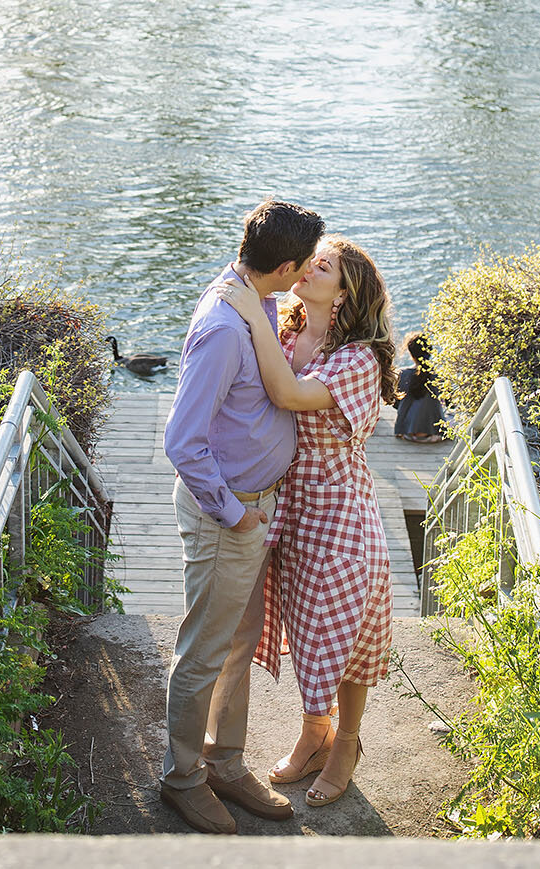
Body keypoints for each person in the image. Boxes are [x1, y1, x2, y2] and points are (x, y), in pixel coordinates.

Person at [159, 198, 326, 836]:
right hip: (227, 516)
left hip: (258, 511)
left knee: (235, 647)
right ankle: (182, 779)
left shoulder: (256, 300)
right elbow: (182, 441)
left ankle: (224, 763)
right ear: (283, 265)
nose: (309, 271)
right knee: (205, 650)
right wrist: (233, 516)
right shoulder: (225, 327)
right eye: (305, 263)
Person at [216, 236, 398, 809]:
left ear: (344, 293)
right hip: (289, 507)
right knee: (304, 625)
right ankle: (314, 733)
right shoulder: (289, 328)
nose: (305, 267)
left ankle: (345, 742)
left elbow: (288, 393)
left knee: (343, 634)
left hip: (339, 508)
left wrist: (249, 309)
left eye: (323, 266)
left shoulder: (360, 359)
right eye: (311, 259)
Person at [393, 331, 447, 444]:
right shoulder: (439, 376)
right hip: (434, 433)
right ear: (430, 351)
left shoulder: (402, 374)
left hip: (407, 432)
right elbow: (449, 402)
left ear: (411, 353)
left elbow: (395, 403)